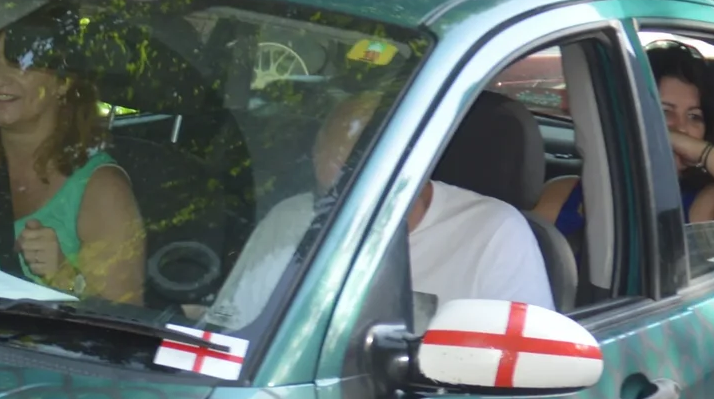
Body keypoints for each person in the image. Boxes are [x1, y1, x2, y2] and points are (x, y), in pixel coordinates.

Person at [206, 91, 551, 327]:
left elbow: (524, 376)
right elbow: (229, 332)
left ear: (416, 162)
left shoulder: (493, 234)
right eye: (329, 161)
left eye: (354, 166)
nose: (340, 191)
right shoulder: (291, 219)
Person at [0, 17, 146, 304]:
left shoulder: (101, 189)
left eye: (20, 61)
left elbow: (124, 327)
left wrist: (64, 275)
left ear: (63, 81)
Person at [536, 43, 714, 231]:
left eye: (694, 117)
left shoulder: (704, 204)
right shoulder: (565, 191)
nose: (680, 126)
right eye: (665, 111)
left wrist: (686, 144)